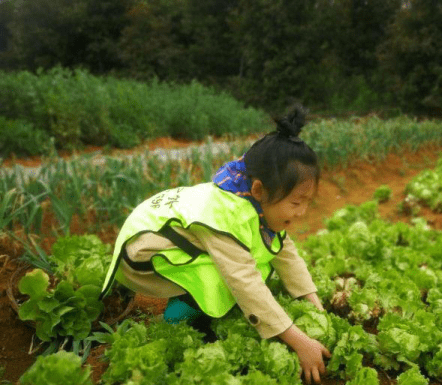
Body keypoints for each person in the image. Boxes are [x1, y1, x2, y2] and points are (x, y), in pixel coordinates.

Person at [100, 105, 331, 384]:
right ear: (259, 190)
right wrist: (298, 341)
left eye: (307, 202)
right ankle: (177, 320)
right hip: (142, 258)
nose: (302, 212)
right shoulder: (226, 215)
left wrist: (314, 305)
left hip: (169, 245)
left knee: (253, 260)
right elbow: (245, 283)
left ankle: (193, 304)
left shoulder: (252, 199)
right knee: (230, 277)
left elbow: (285, 252)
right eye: (296, 202)